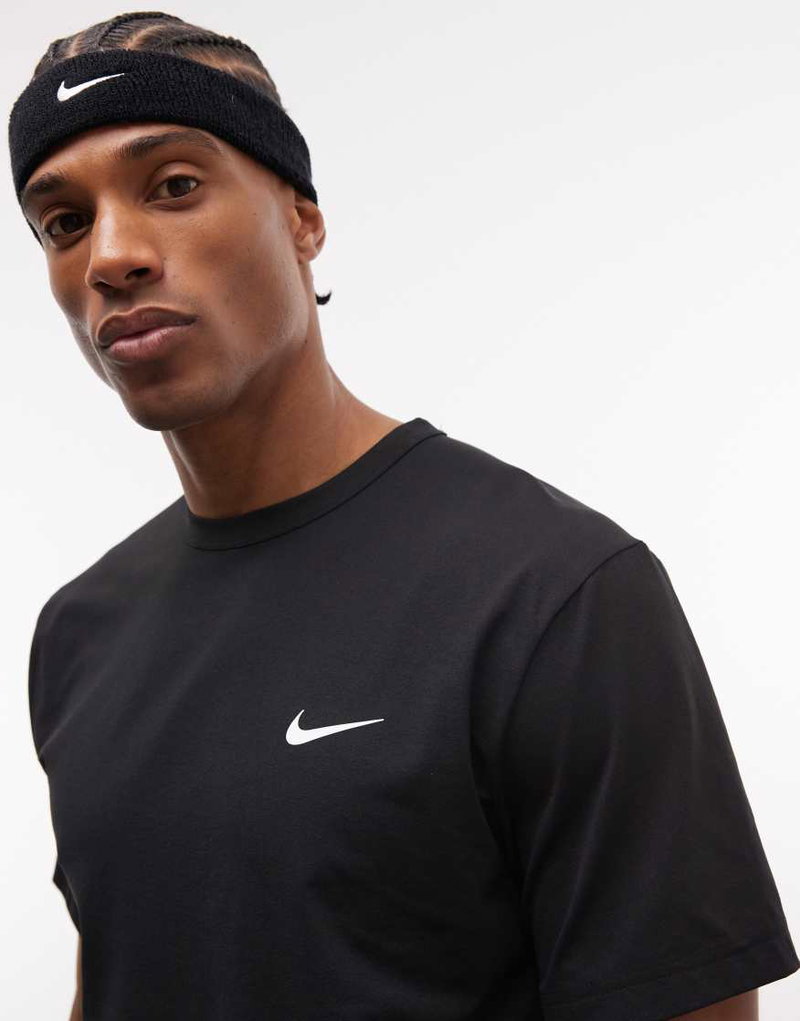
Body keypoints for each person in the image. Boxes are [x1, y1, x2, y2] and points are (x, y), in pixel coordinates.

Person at [10, 12, 798, 1021]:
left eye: (172, 186)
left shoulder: (555, 595)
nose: (111, 256)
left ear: (302, 218)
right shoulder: (79, 633)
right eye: (63, 222)